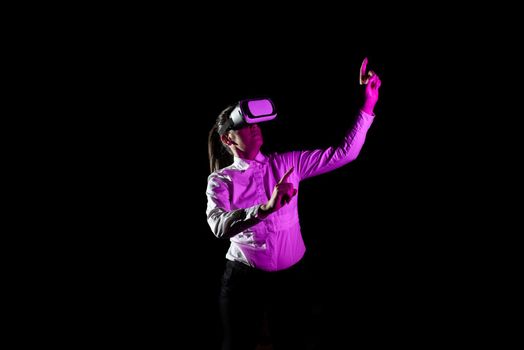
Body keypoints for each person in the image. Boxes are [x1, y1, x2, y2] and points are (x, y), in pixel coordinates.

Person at [206, 58, 381, 350]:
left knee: (293, 342)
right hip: (243, 279)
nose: (255, 129)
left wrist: (368, 104)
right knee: (237, 344)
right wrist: (265, 209)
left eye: (256, 125)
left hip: (292, 279)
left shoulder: (288, 163)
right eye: (246, 127)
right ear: (227, 138)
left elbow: (345, 153)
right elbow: (218, 226)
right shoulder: (220, 181)